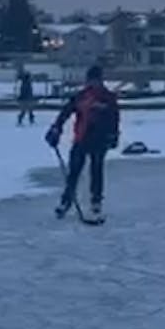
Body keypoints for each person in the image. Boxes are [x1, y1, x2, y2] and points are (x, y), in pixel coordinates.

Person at [44, 65, 120, 222]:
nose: (92, 84)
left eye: (95, 80)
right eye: (90, 81)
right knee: (74, 172)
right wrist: (56, 128)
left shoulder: (108, 97)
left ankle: (96, 201)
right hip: (81, 138)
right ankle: (66, 201)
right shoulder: (81, 96)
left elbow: (114, 118)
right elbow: (65, 112)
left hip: (100, 140)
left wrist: (113, 136)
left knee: (96, 170)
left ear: (100, 80)